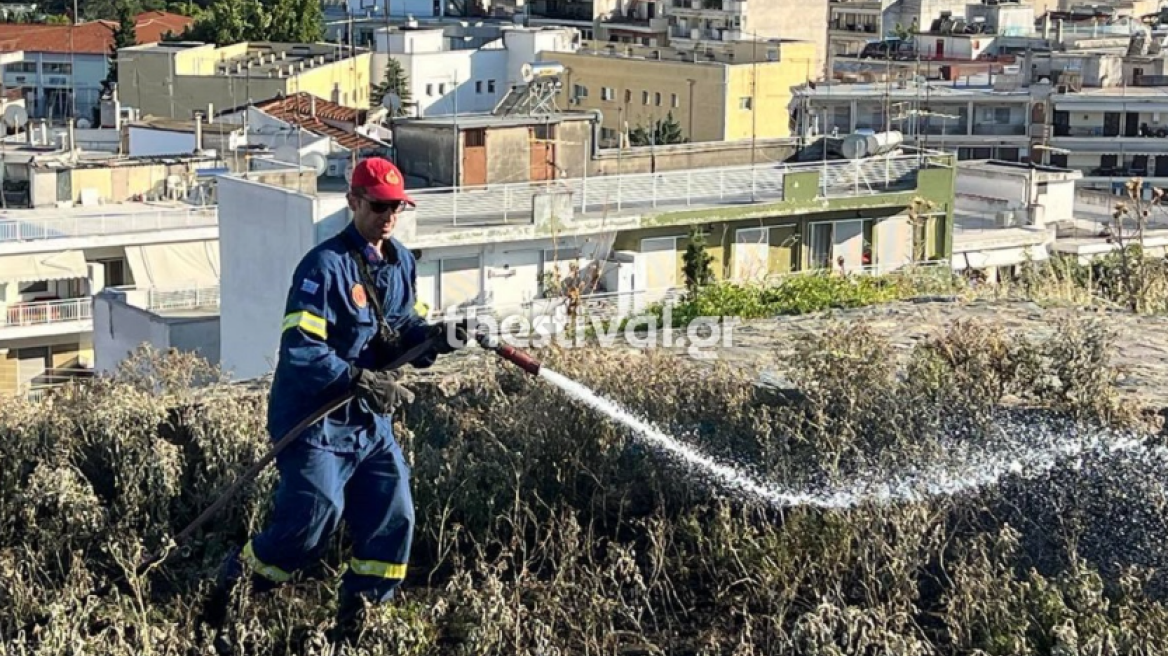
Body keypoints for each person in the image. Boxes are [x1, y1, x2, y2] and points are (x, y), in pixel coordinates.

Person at [206, 157, 470, 652]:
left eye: (396, 207)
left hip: (368, 425)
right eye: (378, 206)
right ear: (353, 202)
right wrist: (357, 378)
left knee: (395, 518)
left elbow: (400, 331)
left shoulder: (401, 263)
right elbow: (302, 351)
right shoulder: (323, 268)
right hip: (314, 422)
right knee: (311, 520)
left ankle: (360, 625)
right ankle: (230, 593)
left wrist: (438, 337)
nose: (388, 216)